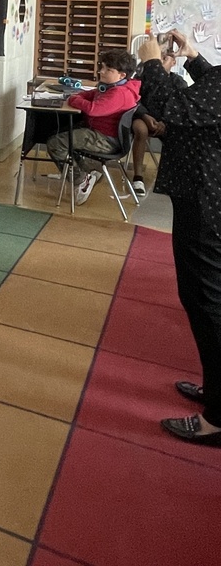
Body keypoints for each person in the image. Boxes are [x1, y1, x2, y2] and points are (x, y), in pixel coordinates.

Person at [138, 30, 221, 446]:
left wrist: (152, 63)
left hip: (209, 206)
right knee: (199, 299)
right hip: (201, 199)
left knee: (209, 303)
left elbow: (176, 107)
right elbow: (209, 92)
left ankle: (218, 418)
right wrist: (193, 58)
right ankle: (214, 389)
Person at [46, 48, 140, 205]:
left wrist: (73, 100)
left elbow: (93, 109)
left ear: (122, 75)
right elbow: (90, 94)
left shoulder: (119, 93)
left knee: (56, 144)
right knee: (64, 136)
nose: (101, 72)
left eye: (108, 70)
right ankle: (89, 171)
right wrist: (78, 96)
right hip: (101, 134)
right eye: (102, 67)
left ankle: (81, 179)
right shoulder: (112, 86)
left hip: (105, 140)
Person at [131, 46, 187, 196]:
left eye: (164, 59)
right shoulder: (140, 79)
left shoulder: (178, 82)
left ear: (174, 62)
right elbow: (133, 100)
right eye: (157, 58)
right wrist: (144, 115)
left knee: (180, 134)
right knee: (140, 130)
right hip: (143, 118)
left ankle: (176, 175)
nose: (160, 63)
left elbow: (179, 106)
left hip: (167, 122)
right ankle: (138, 177)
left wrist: (165, 122)